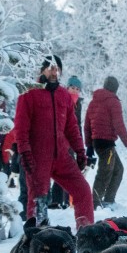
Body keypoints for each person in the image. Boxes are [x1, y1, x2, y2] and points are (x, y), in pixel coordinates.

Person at [14, 55, 94, 227]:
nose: (54, 71)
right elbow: (21, 127)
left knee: (83, 191)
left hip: (61, 156)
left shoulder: (63, 95)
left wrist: (80, 151)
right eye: (50, 67)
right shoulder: (29, 93)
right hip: (37, 157)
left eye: (57, 68)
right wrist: (25, 152)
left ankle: (86, 232)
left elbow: (71, 127)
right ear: (42, 70)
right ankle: (37, 238)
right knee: (38, 200)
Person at [84, 76, 127, 211]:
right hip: (107, 144)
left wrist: (89, 145)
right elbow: (119, 125)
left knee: (118, 169)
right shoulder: (113, 102)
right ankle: (94, 204)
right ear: (115, 89)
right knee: (105, 173)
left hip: (97, 142)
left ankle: (108, 200)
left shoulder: (93, 102)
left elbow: (87, 125)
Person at [49, 75, 84, 210]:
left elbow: (78, 125)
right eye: (72, 88)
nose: (75, 91)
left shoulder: (78, 103)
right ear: (67, 88)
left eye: (77, 88)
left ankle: (60, 201)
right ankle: (59, 201)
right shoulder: (63, 100)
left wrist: (79, 144)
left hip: (72, 142)